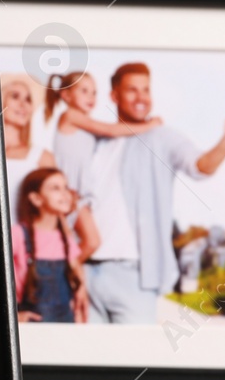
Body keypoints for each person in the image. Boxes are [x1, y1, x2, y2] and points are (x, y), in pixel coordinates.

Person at [80, 62, 225, 324]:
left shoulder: (162, 137)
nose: (141, 98)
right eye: (132, 90)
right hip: (86, 273)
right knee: (86, 362)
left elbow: (201, 166)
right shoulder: (97, 141)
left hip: (133, 276)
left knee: (133, 361)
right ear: (114, 96)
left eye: (146, 90)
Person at [46, 70, 164, 248]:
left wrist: (139, 124)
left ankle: (69, 271)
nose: (91, 97)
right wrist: (149, 125)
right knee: (91, 242)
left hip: (78, 193)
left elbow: (113, 134)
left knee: (70, 243)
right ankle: (69, 273)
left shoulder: (85, 124)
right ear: (67, 95)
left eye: (94, 92)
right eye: (84, 91)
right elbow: (110, 130)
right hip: (69, 190)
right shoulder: (70, 116)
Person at [12, 168, 86, 323]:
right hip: (32, 325)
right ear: (36, 198)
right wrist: (13, 317)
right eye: (55, 188)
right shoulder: (18, 234)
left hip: (65, 323)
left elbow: (77, 277)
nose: (65, 193)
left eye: (66, 187)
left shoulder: (65, 238)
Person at [1, 74, 55, 214]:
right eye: (15, 96)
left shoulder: (42, 158)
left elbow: (55, 212)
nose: (23, 104)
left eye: (28, 99)